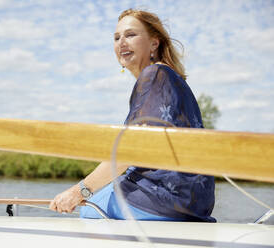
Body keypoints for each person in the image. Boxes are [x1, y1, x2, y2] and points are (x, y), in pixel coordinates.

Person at [49, 9, 216, 222]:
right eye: (117, 37)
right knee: (103, 193)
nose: (121, 43)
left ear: (154, 43)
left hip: (158, 201)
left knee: (89, 210)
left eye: (130, 35)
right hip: (194, 204)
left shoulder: (154, 75)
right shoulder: (171, 78)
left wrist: (78, 192)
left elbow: (130, 150)